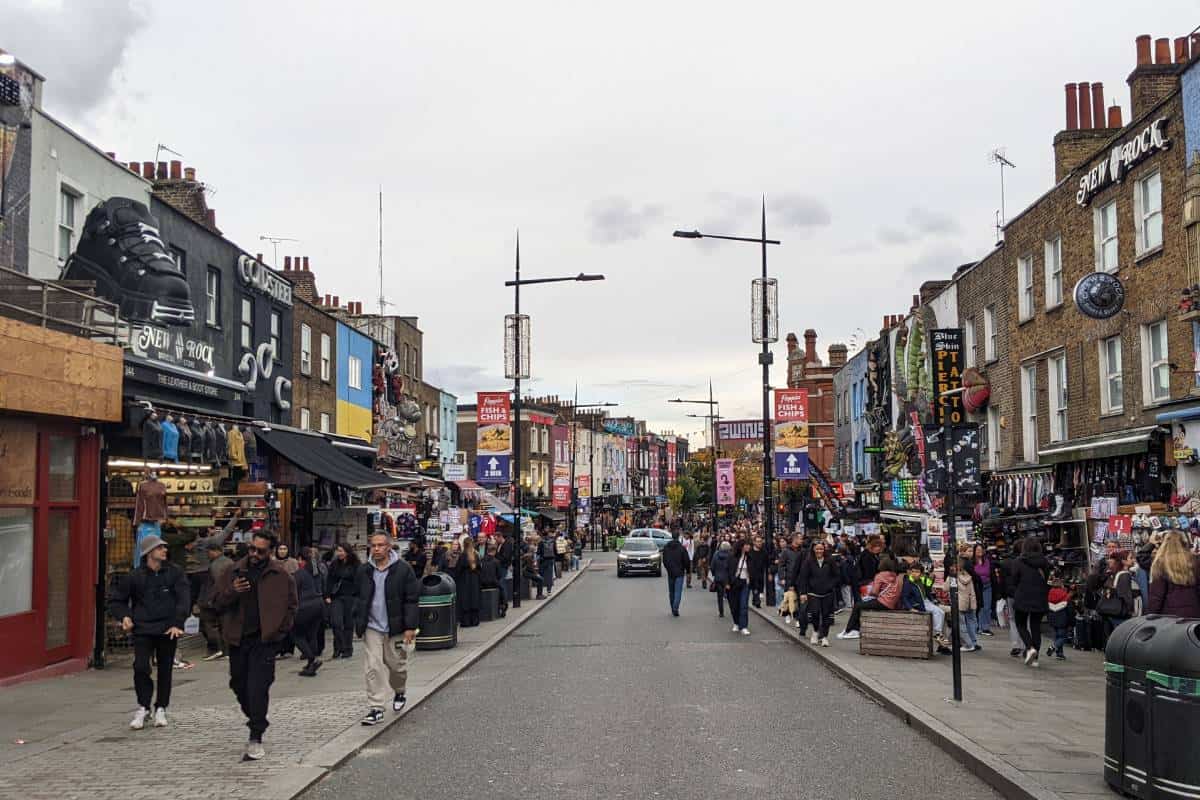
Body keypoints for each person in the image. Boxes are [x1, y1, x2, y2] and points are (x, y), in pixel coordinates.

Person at [211, 530, 298, 761]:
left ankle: (256, 734)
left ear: (270, 552)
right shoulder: (232, 571)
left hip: (264, 641)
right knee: (238, 684)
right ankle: (256, 718)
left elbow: (292, 606)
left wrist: (279, 633)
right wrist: (233, 591)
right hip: (238, 640)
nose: (254, 554)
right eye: (252, 549)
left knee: (258, 687)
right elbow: (215, 603)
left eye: (260, 551)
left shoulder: (280, 575)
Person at [107, 534, 190, 730]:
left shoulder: (175, 573)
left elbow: (184, 599)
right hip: (142, 628)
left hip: (168, 628)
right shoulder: (135, 576)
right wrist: (125, 616)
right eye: (160, 548)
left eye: (164, 547)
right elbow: (116, 600)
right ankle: (143, 706)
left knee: (165, 669)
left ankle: (161, 707)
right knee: (141, 667)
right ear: (149, 552)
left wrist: (178, 623)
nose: (165, 550)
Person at [355, 532, 420, 726]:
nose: (376, 549)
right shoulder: (364, 570)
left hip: (395, 626)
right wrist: (357, 618)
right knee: (373, 667)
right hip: (372, 626)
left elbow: (411, 599)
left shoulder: (403, 569)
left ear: (389, 547)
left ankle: (399, 691)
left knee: (396, 666)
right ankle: (376, 708)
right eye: (373, 545)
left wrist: (410, 627)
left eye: (380, 545)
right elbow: (357, 596)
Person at [183, 510, 240, 658]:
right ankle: (220, 647)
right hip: (205, 579)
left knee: (204, 614)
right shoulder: (211, 544)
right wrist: (235, 517)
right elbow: (226, 531)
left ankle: (215, 646)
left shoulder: (188, 544)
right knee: (213, 615)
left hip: (191, 578)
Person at [837, 556, 903, 639]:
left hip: (883, 602)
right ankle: (853, 629)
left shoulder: (880, 575)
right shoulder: (895, 576)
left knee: (858, 606)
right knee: (862, 605)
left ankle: (850, 629)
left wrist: (870, 593)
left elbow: (875, 592)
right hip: (891, 603)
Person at [1009, 536, 1050, 667]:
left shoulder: (1018, 561)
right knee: (1036, 626)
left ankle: (1030, 647)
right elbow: (1047, 578)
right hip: (1040, 597)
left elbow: (1014, 580)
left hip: (1023, 596)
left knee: (1020, 624)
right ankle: (1035, 658)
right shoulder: (1044, 561)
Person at [1147, 531, 1200, 617]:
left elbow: (1157, 596)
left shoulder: (1160, 563)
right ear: (1184, 543)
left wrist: (1150, 615)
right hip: (1194, 612)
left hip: (1170, 616)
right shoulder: (1195, 560)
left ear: (1164, 544)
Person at [796, 540, 839, 647]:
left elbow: (837, 575)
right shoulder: (808, 561)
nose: (819, 551)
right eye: (817, 549)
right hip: (813, 592)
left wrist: (831, 585)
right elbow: (803, 577)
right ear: (813, 549)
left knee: (826, 615)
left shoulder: (830, 560)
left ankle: (824, 637)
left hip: (827, 593)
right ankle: (815, 632)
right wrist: (803, 593)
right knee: (814, 613)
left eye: (821, 549)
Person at [198, 540, 234, 661]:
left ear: (215, 551)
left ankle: (217, 649)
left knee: (210, 624)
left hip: (216, 599)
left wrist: (211, 599)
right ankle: (226, 650)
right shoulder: (229, 561)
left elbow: (217, 583)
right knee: (224, 624)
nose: (207, 555)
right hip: (226, 598)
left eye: (208, 552)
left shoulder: (217, 565)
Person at [325, 544, 360, 659]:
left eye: (341, 551)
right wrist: (327, 595)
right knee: (336, 623)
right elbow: (329, 580)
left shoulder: (356, 565)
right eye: (338, 551)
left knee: (348, 624)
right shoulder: (334, 564)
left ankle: (348, 649)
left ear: (348, 552)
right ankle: (338, 647)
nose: (339, 553)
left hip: (351, 597)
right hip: (337, 596)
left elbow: (360, 581)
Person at [292, 554, 324, 676]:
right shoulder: (317, 572)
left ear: (302, 560)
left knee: (296, 635)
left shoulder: (299, 574)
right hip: (319, 604)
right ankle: (311, 663)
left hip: (305, 606)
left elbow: (293, 591)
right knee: (312, 634)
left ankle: (312, 659)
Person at [1096, 552, 1137, 638]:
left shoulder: (1113, 573)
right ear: (1123, 561)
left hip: (1109, 612)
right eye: (1130, 558)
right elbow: (1125, 595)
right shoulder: (1124, 575)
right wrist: (1131, 610)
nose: (1133, 560)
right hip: (1120, 614)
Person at [954, 558, 981, 652]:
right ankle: (973, 642)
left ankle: (968, 644)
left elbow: (946, 588)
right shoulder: (971, 576)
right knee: (971, 622)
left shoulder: (955, 577)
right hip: (971, 602)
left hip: (960, 602)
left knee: (961, 624)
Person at [661, 533, 691, 617]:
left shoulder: (666, 547)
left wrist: (668, 569)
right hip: (679, 572)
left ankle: (673, 607)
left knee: (671, 591)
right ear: (678, 537)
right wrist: (688, 570)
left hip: (670, 572)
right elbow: (686, 560)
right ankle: (675, 607)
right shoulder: (681, 548)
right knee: (678, 591)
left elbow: (664, 560)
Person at [454, 545, 483, 627]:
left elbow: (458, 570)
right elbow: (480, 570)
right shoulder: (476, 556)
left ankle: (466, 622)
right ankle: (475, 621)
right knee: (474, 600)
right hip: (475, 582)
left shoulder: (462, 556)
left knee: (465, 601)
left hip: (464, 582)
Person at [729, 540, 753, 635]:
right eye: (747, 545)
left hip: (745, 583)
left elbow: (753, 570)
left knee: (743, 605)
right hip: (735, 583)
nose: (748, 547)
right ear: (741, 546)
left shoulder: (749, 557)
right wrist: (727, 583)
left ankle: (743, 626)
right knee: (735, 605)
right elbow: (727, 570)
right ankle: (736, 623)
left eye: (749, 545)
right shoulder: (733, 557)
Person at [970, 543, 995, 636]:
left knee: (987, 607)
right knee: (979, 607)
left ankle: (985, 628)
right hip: (976, 587)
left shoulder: (987, 560)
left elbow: (991, 573)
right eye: (978, 550)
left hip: (987, 586)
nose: (979, 552)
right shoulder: (971, 562)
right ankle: (978, 627)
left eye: (981, 550)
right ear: (974, 551)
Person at [1047, 571, 1072, 660]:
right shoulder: (1065, 595)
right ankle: (1053, 647)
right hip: (1062, 619)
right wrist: (1071, 621)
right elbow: (1069, 610)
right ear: (1061, 585)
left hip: (1052, 618)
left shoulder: (1049, 594)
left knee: (1057, 636)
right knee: (1063, 637)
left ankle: (1059, 654)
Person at [481, 543, 505, 618]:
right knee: (502, 590)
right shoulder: (496, 561)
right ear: (494, 551)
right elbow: (499, 575)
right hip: (493, 583)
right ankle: (503, 606)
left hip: (483, 584)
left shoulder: (481, 560)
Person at [711, 540, 732, 618]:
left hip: (718, 578)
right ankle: (732, 610)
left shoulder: (716, 554)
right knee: (730, 596)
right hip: (728, 578)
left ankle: (721, 612)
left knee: (719, 596)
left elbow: (712, 566)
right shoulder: (731, 555)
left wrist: (714, 574)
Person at [747, 535, 768, 608]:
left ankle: (755, 600)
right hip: (751, 574)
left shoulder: (764, 552)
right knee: (755, 588)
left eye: (760, 541)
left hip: (760, 574)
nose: (759, 543)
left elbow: (767, 563)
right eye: (758, 541)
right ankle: (757, 601)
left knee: (759, 588)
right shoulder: (749, 552)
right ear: (754, 542)